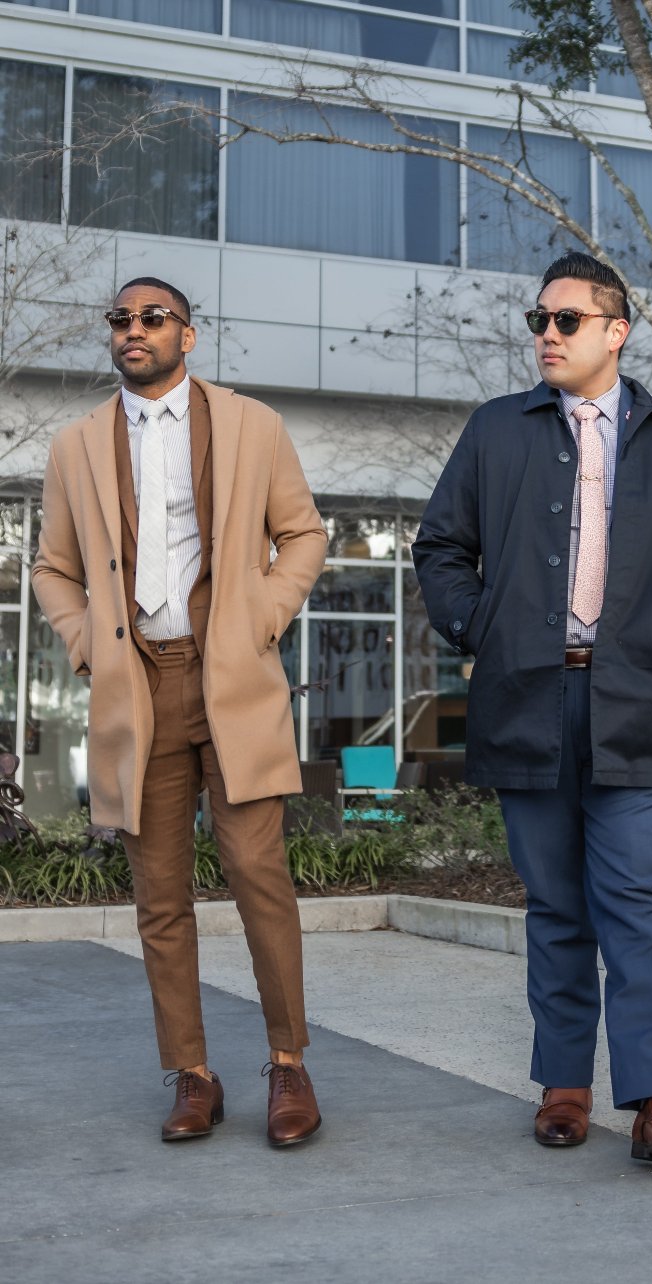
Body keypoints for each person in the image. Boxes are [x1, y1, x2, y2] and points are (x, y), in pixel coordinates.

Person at [413, 252, 652, 1163]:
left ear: (616, 330)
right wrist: (481, 623)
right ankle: (566, 1084)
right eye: (539, 320)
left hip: (639, 698)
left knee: (639, 896)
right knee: (556, 901)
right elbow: (441, 545)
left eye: (567, 320)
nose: (547, 335)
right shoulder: (497, 431)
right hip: (528, 695)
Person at [33, 276, 327, 1146]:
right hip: (138, 687)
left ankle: (289, 1065)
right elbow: (53, 567)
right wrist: (89, 642)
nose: (134, 331)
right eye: (121, 320)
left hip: (230, 677)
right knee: (160, 897)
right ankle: (192, 1075)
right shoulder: (77, 445)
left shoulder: (250, 425)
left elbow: (304, 534)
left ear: (187, 336)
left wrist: (264, 616)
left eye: (152, 318)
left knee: (258, 877)